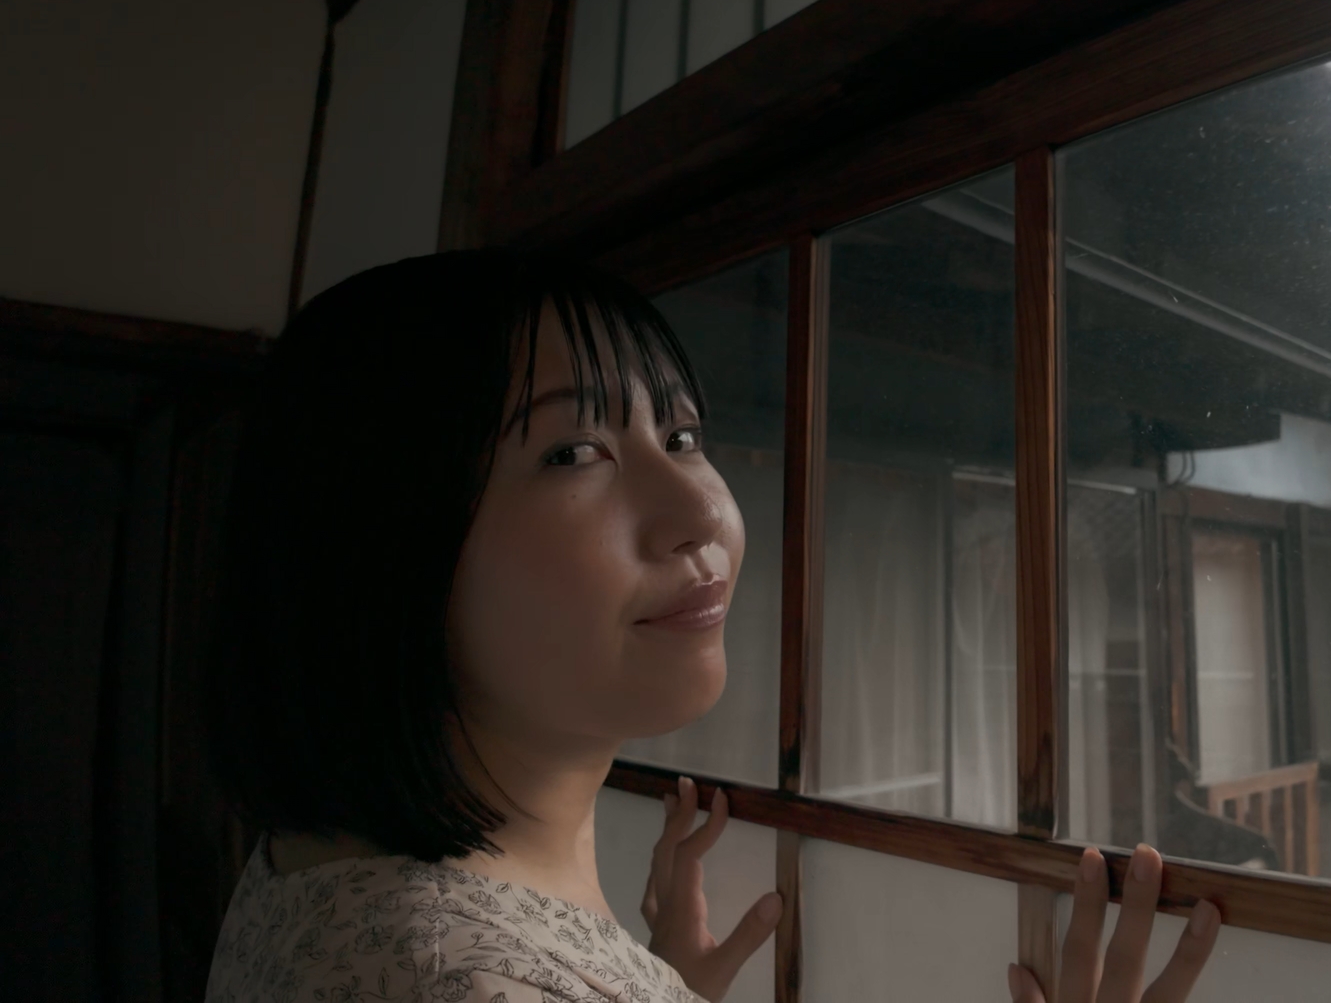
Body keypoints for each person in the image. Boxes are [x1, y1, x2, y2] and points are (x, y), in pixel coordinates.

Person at [202, 250, 1221, 1002]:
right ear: (377, 541)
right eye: (572, 453)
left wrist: (652, 982)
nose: (702, 511)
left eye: (682, 433)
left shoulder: (318, 863)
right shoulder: (463, 979)